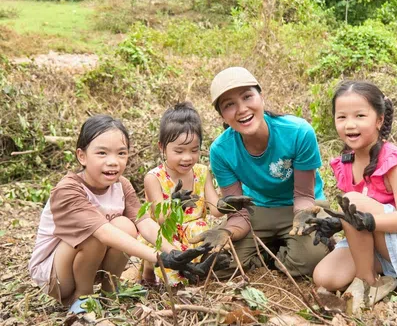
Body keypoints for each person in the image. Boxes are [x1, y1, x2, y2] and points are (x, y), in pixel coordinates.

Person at [28, 115, 220, 314]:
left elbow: (145, 223)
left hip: (88, 264)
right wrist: (161, 258)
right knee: (95, 235)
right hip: (56, 276)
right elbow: (103, 234)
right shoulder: (68, 190)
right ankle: (82, 298)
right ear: (82, 156)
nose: (113, 162)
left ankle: (109, 290)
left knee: (126, 225)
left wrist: (176, 254)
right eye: (102, 153)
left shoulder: (122, 185)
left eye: (121, 153)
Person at [306, 81, 397, 313]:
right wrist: (337, 224)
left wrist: (370, 222)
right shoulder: (345, 162)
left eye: (360, 116)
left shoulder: (395, 163)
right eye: (342, 117)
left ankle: (368, 282)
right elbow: (355, 218)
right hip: (375, 244)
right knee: (324, 277)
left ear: (379, 120)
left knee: (352, 201)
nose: (350, 125)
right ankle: (379, 273)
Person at [188, 66, 329, 278]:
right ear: (222, 116)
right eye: (229, 105)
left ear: (261, 98)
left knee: (312, 259)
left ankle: (274, 251)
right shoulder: (221, 151)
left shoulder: (298, 132)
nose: (242, 109)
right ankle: (269, 252)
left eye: (247, 97)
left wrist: (303, 216)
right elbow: (239, 214)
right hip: (258, 210)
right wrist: (226, 231)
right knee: (217, 265)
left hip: (301, 206)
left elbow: (304, 196)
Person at [140, 102, 236, 285]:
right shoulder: (154, 178)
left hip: (195, 233)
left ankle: (199, 271)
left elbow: (214, 209)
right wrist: (174, 202)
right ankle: (148, 271)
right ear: (162, 147)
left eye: (194, 150)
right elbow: (160, 219)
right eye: (179, 151)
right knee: (174, 279)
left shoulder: (201, 171)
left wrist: (228, 204)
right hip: (167, 235)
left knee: (204, 232)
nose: (187, 157)